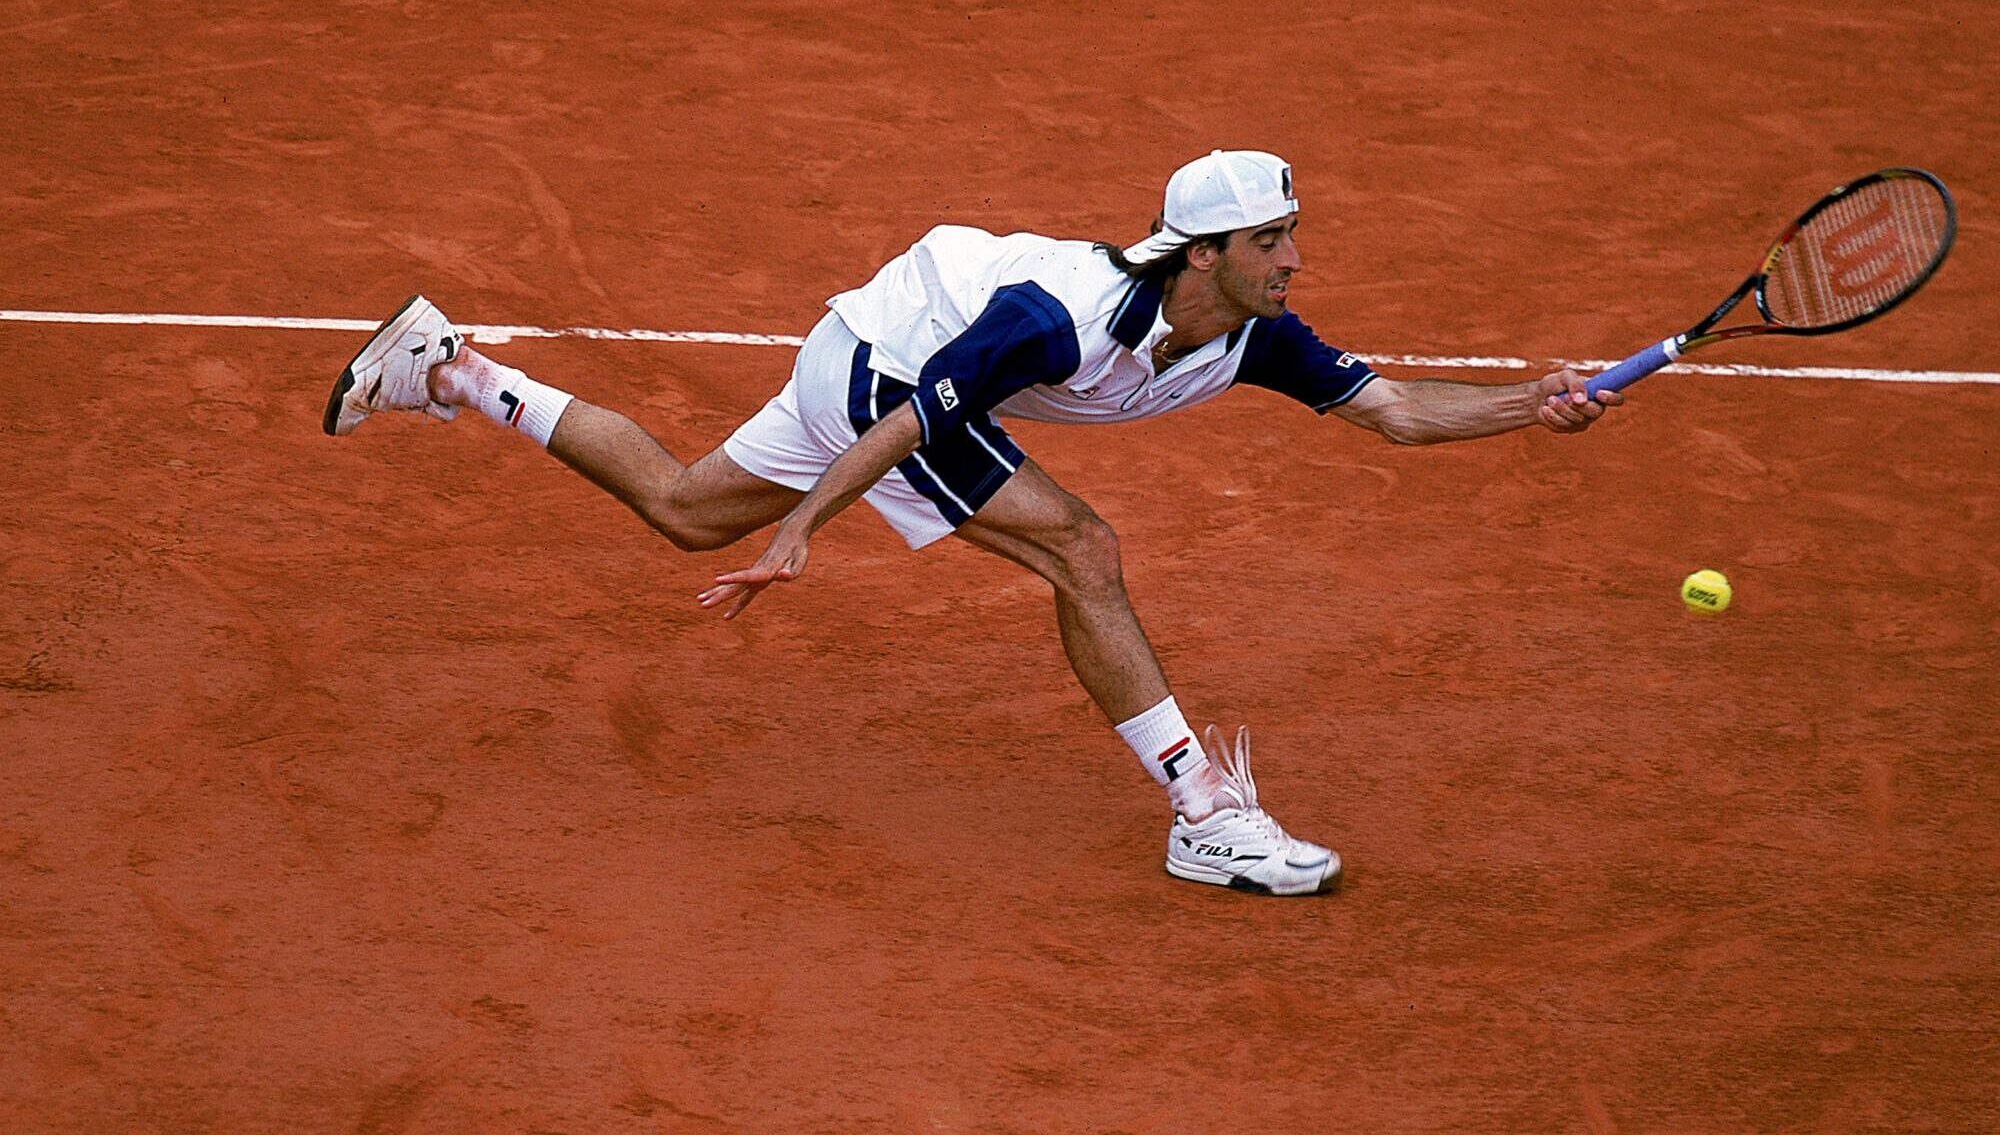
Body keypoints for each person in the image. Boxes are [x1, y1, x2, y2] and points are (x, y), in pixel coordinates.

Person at [323, 149, 1619, 896]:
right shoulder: (1060, 317)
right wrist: (808, 530)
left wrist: (1532, 402)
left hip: (876, 330)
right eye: (1271, 243)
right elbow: (900, 428)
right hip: (882, 376)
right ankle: (1204, 810)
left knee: (682, 506)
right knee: (1083, 547)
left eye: (1294, 238)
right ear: (1204, 252)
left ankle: (451, 369)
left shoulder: (1255, 336)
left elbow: (1393, 411)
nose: (1294, 261)